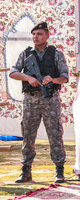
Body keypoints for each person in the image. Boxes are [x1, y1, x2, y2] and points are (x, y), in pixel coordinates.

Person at [9, 22, 69, 184]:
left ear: (47, 35)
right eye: (34, 34)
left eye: (39, 34)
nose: (36, 37)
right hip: (30, 100)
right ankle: (26, 171)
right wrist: (28, 78)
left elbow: (65, 77)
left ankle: (59, 170)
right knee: (28, 135)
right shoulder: (26, 53)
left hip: (50, 100)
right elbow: (13, 72)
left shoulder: (56, 53)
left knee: (55, 134)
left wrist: (52, 79)